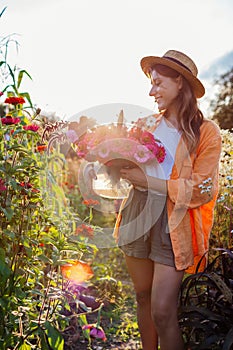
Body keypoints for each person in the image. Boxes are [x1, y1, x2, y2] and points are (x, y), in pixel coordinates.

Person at [113, 50, 222, 350]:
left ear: (180, 83)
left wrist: (147, 181)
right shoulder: (146, 123)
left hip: (175, 222)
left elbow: (201, 189)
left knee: (162, 311)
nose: (151, 91)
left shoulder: (205, 132)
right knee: (143, 297)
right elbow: (130, 165)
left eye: (158, 83)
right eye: (151, 83)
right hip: (138, 211)